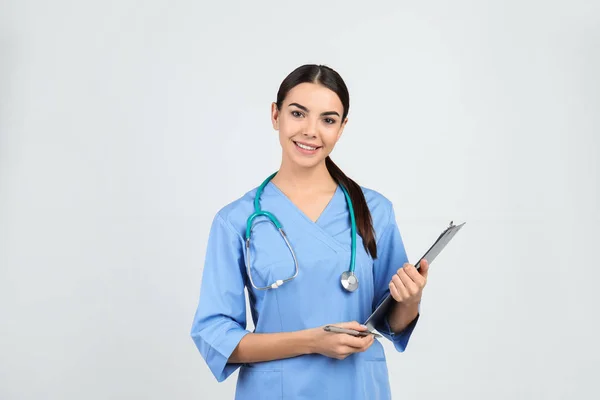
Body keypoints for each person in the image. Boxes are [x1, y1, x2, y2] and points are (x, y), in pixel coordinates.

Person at [190, 64, 429, 400]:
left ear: (342, 128)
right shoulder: (237, 221)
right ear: (276, 115)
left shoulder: (375, 211)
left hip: (358, 389)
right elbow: (216, 336)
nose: (311, 131)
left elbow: (391, 323)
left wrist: (412, 299)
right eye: (298, 113)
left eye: (328, 120)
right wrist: (313, 341)